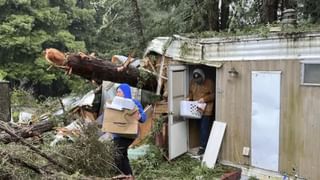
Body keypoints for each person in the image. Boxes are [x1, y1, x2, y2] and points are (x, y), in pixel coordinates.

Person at [112, 83, 146, 179]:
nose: (117, 94)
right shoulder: (114, 103)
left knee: (118, 153)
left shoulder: (133, 103)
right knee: (121, 154)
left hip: (129, 133)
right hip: (117, 134)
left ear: (125, 93)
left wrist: (139, 116)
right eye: (117, 92)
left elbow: (143, 117)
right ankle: (128, 176)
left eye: (119, 92)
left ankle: (126, 175)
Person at [187, 68, 215, 155]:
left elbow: (214, 95)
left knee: (204, 128)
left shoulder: (210, 83)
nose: (198, 82)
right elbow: (191, 92)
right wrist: (189, 98)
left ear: (203, 77)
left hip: (207, 109)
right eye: (196, 80)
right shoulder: (193, 82)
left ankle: (203, 147)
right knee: (199, 127)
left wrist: (205, 99)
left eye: (199, 80)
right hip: (196, 108)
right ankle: (203, 144)